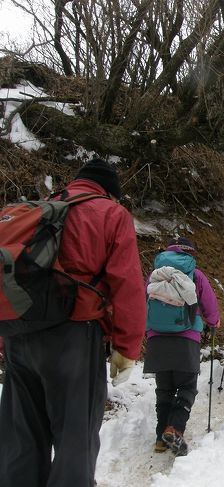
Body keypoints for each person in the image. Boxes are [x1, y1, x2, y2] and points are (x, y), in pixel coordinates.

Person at [0, 158, 147, 487]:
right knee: (74, 437)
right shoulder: (111, 214)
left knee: (21, 436)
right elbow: (127, 287)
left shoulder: (37, 212)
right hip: (73, 339)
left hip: (18, 337)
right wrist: (126, 347)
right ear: (111, 191)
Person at [143, 237, 220, 456]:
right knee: (187, 387)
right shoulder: (195, 275)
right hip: (186, 338)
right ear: (189, 253)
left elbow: (141, 301)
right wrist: (213, 322)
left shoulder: (155, 275)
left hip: (157, 338)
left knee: (164, 389)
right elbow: (209, 304)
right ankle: (175, 429)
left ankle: (160, 438)